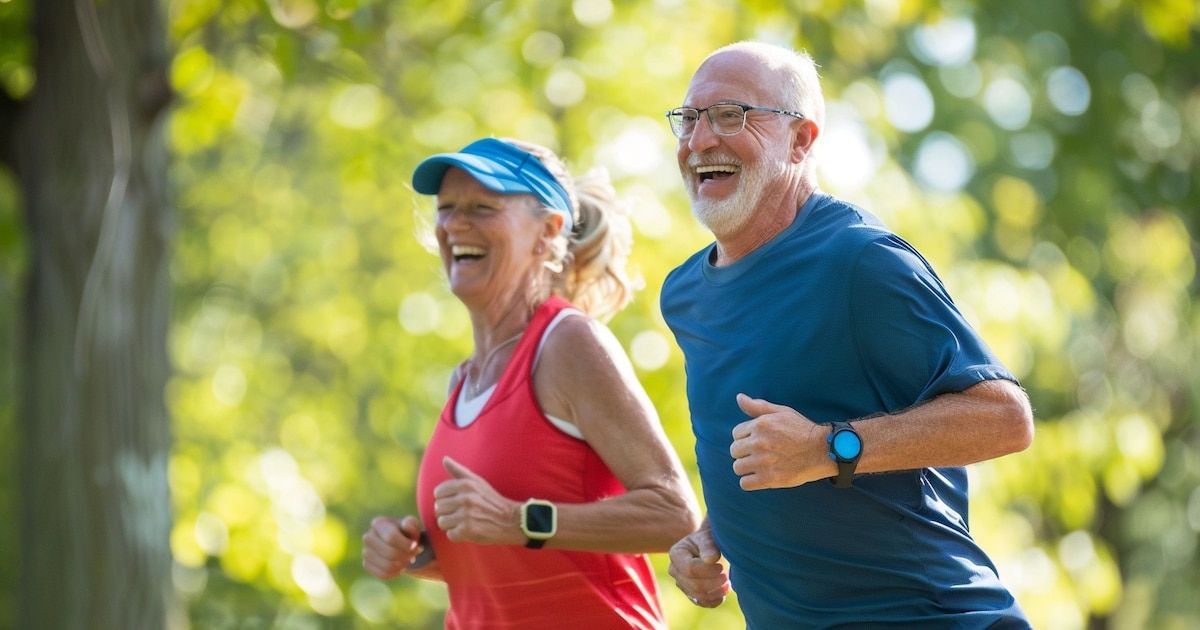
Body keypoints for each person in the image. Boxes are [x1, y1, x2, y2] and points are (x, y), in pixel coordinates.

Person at [660, 41, 1036, 629]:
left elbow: (1005, 418)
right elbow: (770, 456)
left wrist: (826, 448)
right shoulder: (684, 294)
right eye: (689, 118)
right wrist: (714, 532)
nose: (700, 140)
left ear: (801, 140)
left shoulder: (861, 261)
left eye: (731, 115)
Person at [361, 137, 702, 629]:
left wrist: (517, 519)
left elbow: (675, 514)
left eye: (482, 207)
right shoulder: (465, 380)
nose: (455, 223)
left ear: (547, 233)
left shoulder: (569, 344)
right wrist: (412, 552)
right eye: (447, 208)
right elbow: (513, 559)